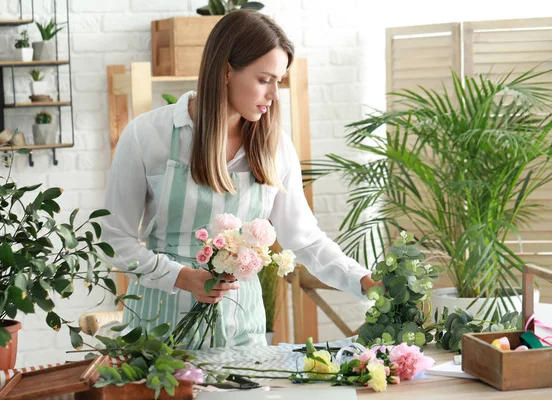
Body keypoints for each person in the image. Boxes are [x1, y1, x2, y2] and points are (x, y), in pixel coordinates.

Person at [102, 10, 381, 349]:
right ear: (226, 71)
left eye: (278, 81)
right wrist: (183, 278)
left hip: (243, 334)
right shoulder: (148, 135)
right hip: (159, 334)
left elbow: (305, 239)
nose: (274, 94)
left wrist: (364, 280)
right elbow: (114, 239)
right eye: (265, 80)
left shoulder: (274, 146)